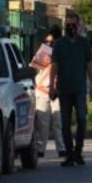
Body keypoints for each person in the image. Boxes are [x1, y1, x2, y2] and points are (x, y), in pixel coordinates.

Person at [50, 15, 91, 167]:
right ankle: (69, 154)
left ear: (78, 26)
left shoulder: (83, 43)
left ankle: (78, 152)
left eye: (73, 25)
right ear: (64, 26)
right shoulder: (59, 44)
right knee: (65, 123)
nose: (71, 27)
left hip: (80, 89)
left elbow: (88, 66)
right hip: (64, 89)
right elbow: (54, 66)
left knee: (81, 119)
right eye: (68, 25)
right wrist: (52, 86)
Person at [32, 26, 66, 158]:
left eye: (51, 42)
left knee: (58, 121)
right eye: (47, 42)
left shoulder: (63, 53)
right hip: (42, 91)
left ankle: (61, 148)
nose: (49, 44)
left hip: (58, 91)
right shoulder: (42, 53)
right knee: (43, 122)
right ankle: (40, 149)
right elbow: (34, 71)